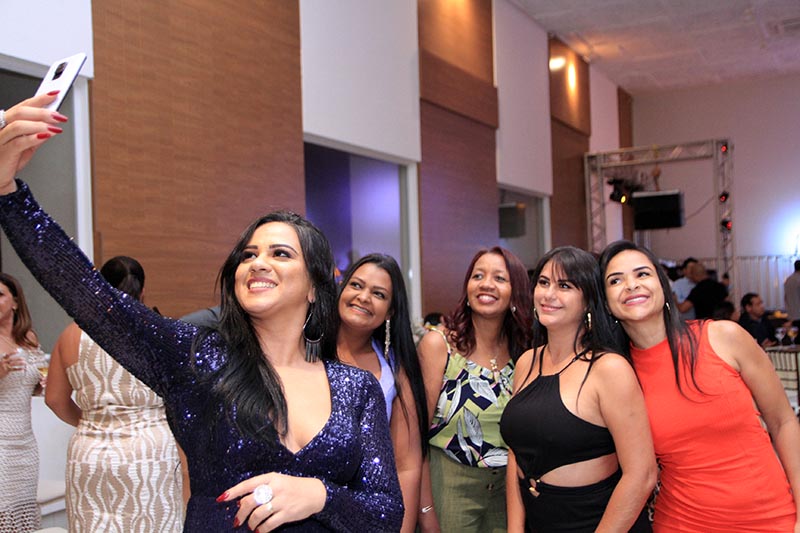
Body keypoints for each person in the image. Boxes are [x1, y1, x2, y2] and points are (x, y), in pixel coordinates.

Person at [0, 94, 402, 532]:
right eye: (248, 254)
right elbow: (86, 292)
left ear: (313, 287)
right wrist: (8, 194)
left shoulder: (355, 388)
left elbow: (385, 512)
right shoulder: (197, 359)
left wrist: (319, 495)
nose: (258, 263)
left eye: (280, 253)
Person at [599, 240, 800, 532]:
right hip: (682, 523)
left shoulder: (724, 337)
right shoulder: (618, 374)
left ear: (663, 286)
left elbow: (783, 422)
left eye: (642, 274)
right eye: (615, 280)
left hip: (770, 517)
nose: (631, 285)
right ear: (606, 302)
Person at [500, 246, 656, 532]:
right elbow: (515, 452)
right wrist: (515, 528)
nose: (548, 294)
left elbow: (642, 475)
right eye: (543, 282)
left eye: (564, 286)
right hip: (538, 521)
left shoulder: (609, 369)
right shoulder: (526, 362)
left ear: (587, 301)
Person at [45, 256, 185, 532]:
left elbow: (54, 399)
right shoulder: (159, 332)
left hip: (90, 454)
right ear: (143, 291)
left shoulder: (71, 335)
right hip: (149, 452)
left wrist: (91, 422)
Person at [418, 246, 532, 533]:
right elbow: (413, 438)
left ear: (516, 292)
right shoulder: (439, 346)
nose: (486, 284)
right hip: (449, 484)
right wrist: (425, 508)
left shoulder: (525, 353)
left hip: (508, 491)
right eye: (478, 276)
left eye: (499, 278)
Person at [336, 253, 428, 533]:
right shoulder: (305, 350)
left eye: (378, 294)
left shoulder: (394, 368)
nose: (363, 297)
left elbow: (406, 465)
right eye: (356, 285)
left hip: (369, 512)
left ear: (390, 312)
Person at [0, 273, 47, 533]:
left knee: (23, 509)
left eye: (0, 295)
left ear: (16, 302)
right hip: (1, 442)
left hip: (26, 443)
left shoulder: (28, 338)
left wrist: (41, 386)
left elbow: (31, 385)